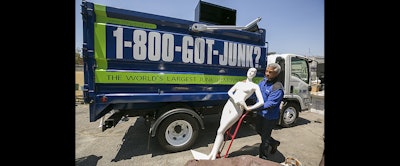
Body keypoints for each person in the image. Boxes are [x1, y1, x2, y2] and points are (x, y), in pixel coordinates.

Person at [191, 67, 264, 160]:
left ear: (255, 74)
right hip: (229, 104)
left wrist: (247, 107)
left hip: (237, 109)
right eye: (250, 71)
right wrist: (235, 98)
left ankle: (212, 156)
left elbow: (261, 102)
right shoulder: (239, 83)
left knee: (221, 130)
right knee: (220, 130)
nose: (251, 73)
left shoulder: (255, 86)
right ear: (247, 72)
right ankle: (213, 154)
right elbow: (230, 92)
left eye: (254, 72)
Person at [256, 63, 284, 160]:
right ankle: (274, 143)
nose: (267, 74)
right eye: (266, 71)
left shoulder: (277, 87)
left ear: (276, 74)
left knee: (265, 138)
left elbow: (270, 104)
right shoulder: (263, 81)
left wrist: (254, 107)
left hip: (270, 117)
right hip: (260, 113)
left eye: (270, 72)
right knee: (258, 130)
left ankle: (263, 158)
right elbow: (256, 89)